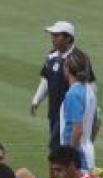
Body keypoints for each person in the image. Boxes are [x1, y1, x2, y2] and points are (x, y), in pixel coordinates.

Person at [30, 21, 78, 151]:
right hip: (54, 112)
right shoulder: (52, 56)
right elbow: (46, 79)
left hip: (70, 114)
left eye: (57, 36)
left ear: (68, 38)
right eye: (52, 35)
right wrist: (37, 100)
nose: (53, 39)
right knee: (56, 150)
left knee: (60, 150)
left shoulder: (77, 59)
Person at [59, 49, 99, 171]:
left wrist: (69, 155)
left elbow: (77, 129)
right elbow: (97, 123)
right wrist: (88, 142)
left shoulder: (73, 94)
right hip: (87, 150)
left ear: (67, 68)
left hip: (77, 156)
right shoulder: (89, 90)